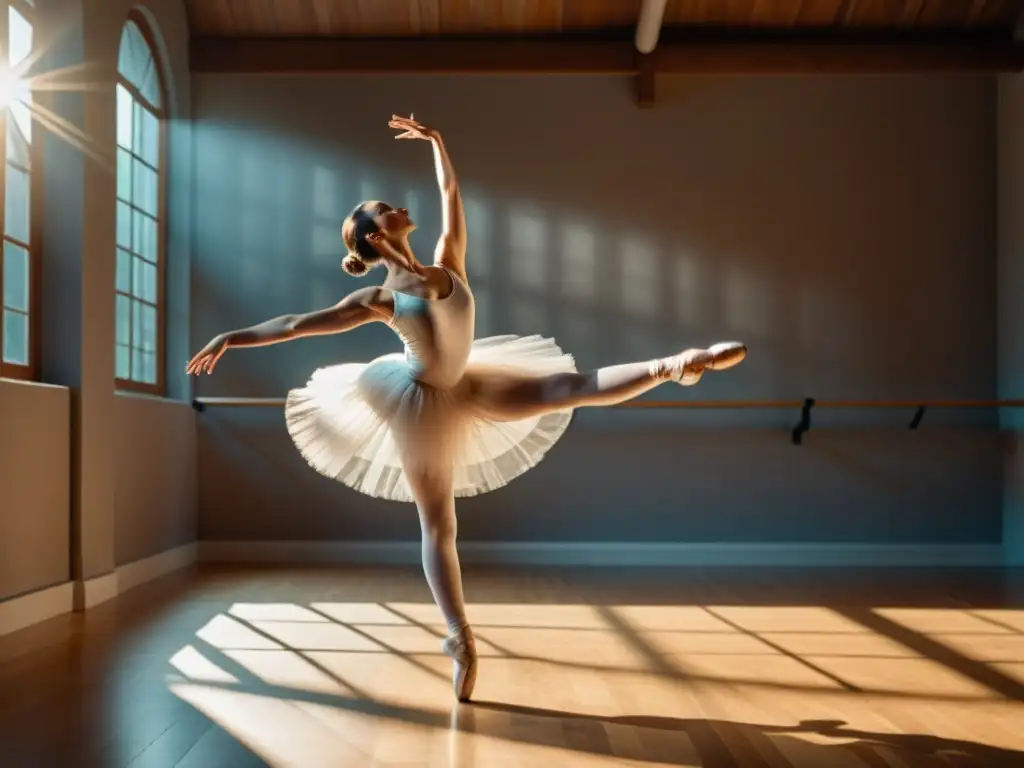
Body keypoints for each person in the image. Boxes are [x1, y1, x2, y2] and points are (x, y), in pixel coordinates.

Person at [186, 114, 747, 702]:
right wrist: (232, 337)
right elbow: (298, 325)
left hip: (471, 385)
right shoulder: (379, 299)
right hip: (420, 404)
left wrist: (439, 143)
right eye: (385, 208)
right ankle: (461, 638)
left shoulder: (448, 260)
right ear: (376, 238)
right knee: (440, 524)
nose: (397, 206)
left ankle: (675, 365)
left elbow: (452, 194)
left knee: (570, 386)